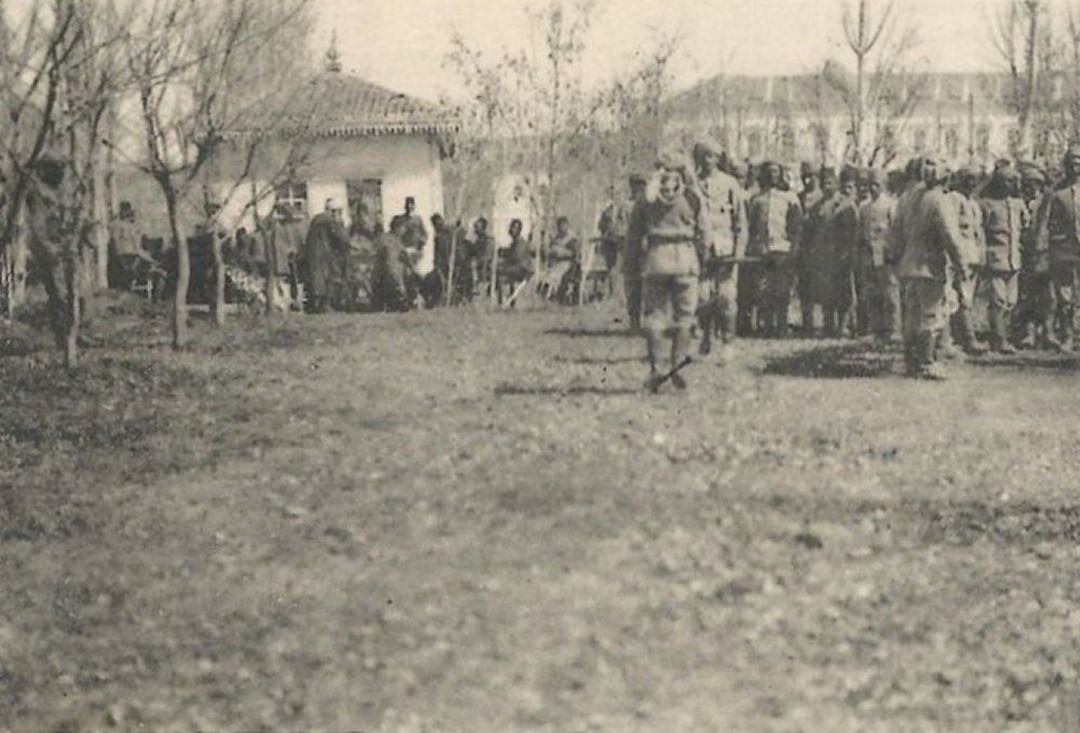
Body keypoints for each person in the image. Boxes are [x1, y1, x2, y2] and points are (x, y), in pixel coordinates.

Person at [628, 151, 704, 392]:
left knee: (655, 317)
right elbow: (704, 231)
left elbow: (633, 235)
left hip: (656, 260)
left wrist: (632, 263)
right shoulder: (692, 197)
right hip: (685, 260)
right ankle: (677, 365)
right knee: (685, 317)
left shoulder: (646, 198)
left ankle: (656, 369)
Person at [895, 158, 966, 380]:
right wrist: (960, 263)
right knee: (931, 315)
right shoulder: (939, 200)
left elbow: (895, 232)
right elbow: (950, 236)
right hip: (930, 266)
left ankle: (911, 363)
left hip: (907, 265)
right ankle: (927, 362)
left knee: (912, 317)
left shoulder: (905, 198)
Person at [25, 154, 88, 348]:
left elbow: (73, 216)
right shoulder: (37, 193)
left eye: (62, 168)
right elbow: (37, 225)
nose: (60, 172)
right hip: (50, 250)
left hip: (68, 247)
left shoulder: (64, 192)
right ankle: (63, 337)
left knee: (77, 293)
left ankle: (74, 332)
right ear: (45, 170)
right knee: (59, 295)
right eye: (55, 168)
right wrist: (48, 249)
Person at [692, 140, 746, 357]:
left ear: (717, 159)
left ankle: (727, 342)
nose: (708, 161)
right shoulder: (692, 185)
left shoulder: (730, 183)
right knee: (703, 297)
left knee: (726, 297)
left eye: (712, 156)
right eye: (703, 156)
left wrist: (739, 250)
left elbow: (741, 221)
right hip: (701, 251)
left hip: (726, 251)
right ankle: (705, 337)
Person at [747, 161, 802, 338]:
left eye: (776, 172)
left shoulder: (790, 198)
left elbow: (796, 227)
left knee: (782, 290)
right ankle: (767, 326)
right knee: (764, 289)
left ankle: (782, 326)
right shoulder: (757, 199)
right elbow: (751, 226)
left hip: (783, 249)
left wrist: (794, 248)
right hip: (762, 249)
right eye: (770, 172)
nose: (773, 176)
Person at [1037, 144, 1080, 353]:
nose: (1076, 163)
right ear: (1066, 163)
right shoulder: (1055, 191)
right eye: (1072, 159)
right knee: (1065, 295)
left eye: (1079, 159)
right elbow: (1044, 222)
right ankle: (1068, 335)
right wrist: (1043, 249)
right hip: (1064, 250)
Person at [980, 164, 1027, 354]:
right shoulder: (987, 204)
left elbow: (1024, 227)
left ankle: (1004, 336)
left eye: (1012, 181)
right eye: (1005, 180)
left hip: (1013, 258)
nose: (1009, 184)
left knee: (1011, 301)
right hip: (995, 259)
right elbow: (980, 231)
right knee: (998, 301)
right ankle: (998, 339)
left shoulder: (1017, 204)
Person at [945, 165, 987, 356]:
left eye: (975, 180)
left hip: (973, 256)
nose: (972, 183)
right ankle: (967, 339)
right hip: (959, 256)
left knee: (967, 296)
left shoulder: (974, 203)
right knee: (960, 297)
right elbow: (952, 230)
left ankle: (961, 337)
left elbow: (978, 233)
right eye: (968, 179)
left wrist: (981, 254)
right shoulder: (954, 199)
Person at [809, 167, 855, 337]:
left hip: (841, 254)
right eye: (823, 184)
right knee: (826, 292)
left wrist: (847, 253)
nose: (826, 186)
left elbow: (851, 232)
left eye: (829, 183)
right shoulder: (818, 206)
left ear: (836, 183)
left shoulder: (845, 204)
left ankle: (842, 326)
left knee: (842, 291)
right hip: (823, 255)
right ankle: (829, 326)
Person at [857, 168, 900, 343]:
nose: (872, 189)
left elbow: (896, 230)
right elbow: (861, 232)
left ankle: (893, 329)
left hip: (886, 256)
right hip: (869, 256)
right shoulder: (864, 207)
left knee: (890, 295)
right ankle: (876, 329)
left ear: (883, 185)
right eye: (870, 185)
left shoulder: (891, 205)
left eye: (876, 185)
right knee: (872, 294)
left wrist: (893, 252)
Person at [1014, 163, 1052, 348]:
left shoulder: (1046, 202)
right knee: (1026, 294)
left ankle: (1046, 332)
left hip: (1043, 253)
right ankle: (1027, 333)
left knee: (1045, 294)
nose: (1031, 188)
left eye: (1035, 183)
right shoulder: (1018, 202)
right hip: (1023, 254)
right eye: (1027, 184)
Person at [300, 198, 350, 313]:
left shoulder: (316, 220)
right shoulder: (330, 221)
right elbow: (343, 239)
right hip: (325, 256)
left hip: (314, 255)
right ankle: (326, 306)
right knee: (327, 281)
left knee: (316, 281)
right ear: (334, 211)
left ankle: (316, 305)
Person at [796, 162, 823, 335]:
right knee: (804, 286)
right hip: (803, 247)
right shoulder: (798, 197)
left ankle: (824, 323)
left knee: (819, 286)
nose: (808, 181)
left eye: (811, 176)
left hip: (819, 247)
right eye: (804, 177)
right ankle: (807, 323)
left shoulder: (822, 197)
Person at [370, 216, 418, 312]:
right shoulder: (393, 242)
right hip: (389, 280)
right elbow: (394, 266)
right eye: (403, 228)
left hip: (377, 279)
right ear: (397, 228)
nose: (404, 231)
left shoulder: (384, 238)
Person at [621, 174, 649, 331]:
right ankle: (634, 321)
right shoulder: (625, 206)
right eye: (635, 185)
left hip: (646, 250)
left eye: (641, 185)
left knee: (648, 285)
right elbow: (618, 227)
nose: (638, 189)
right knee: (632, 287)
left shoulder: (650, 204)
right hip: (630, 250)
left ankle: (649, 320)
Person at [539, 216, 579, 303]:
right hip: (555, 263)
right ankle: (544, 295)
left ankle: (551, 295)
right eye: (559, 226)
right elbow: (550, 250)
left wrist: (561, 252)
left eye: (563, 225)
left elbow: (574, 253)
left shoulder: (571, 238)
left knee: (554, 276)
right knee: (545, 275)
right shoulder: (556, 238)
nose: (561, 228)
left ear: (567, 226)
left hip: (567, 263)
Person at [498, 219, 533, 306]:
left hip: (524, 270)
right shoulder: (514, 242)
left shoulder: (520, 242)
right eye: (512, 228)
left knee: (499, 270)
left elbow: (516, 257)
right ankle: (506, 301)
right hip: (518, 268)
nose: (513, 230)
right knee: (501, 276)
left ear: (519, 230)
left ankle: (504, 300)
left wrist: (505, 255)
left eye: (515, 228)